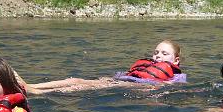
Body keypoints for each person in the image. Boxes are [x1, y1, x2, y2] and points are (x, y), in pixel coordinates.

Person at [26, 40, 185, 94]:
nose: (158, 56)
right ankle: (32, 86)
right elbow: (129, 73)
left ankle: (38, 92)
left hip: (130, 87)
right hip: (123, 82)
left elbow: (169, 86)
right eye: (156, 52)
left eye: (164, 53)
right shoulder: (148, 66)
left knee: (80, 86)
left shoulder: (177, 76)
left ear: (176, 60)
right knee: (75, 79)